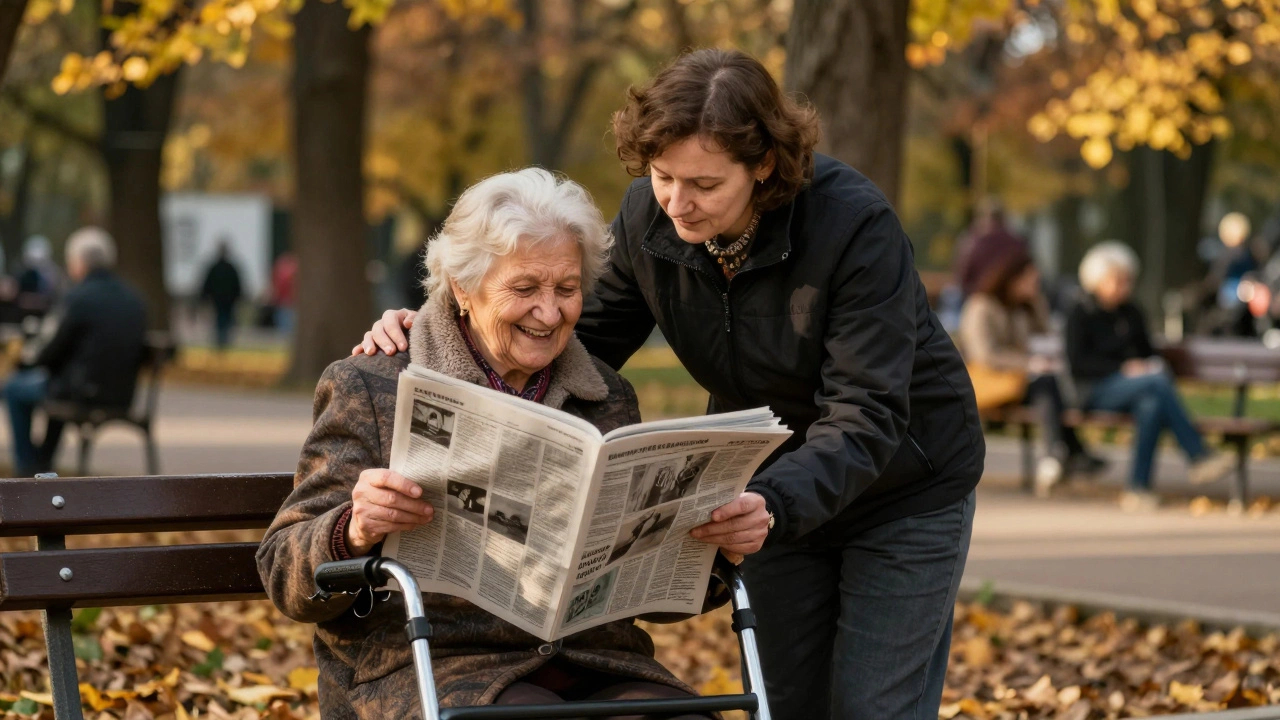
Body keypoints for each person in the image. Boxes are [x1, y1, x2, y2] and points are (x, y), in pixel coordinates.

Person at [354, 48, 982, 720]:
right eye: (662, 177)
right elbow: (569, 334)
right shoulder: (649, 220)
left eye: (704, 185)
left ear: (764, 165)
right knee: (788, 704)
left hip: (900, 486)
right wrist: (443, 322)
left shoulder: (852, 225)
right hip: (767, 487)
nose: (678, 203)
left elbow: (867, 412)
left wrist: (772, 501)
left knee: (874, 707)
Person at [257, 169, 750, 719]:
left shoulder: (608, 396)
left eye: (567, 289)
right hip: (433, 666)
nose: (550, 312)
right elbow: (282, 570)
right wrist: (355, 529)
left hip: (599, 665)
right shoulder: (373, 385)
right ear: (462, 287)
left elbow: (650, 596)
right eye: (525, 289)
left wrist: (716, 548)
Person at [1066, 241, 1236, 511]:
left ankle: (1138, 489)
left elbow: (1147, 352)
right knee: (1155, 383)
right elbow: (1078, 363)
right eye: (1117, 280)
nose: (1123, 287)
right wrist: (1122, 369)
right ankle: (1198, 454)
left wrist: (1147, 365)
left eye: (1127, 280)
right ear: (1097, 281)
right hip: (1093, 390)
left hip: (1136, 388)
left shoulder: (1131, 312)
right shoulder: (1080, 312)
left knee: (1151, 405)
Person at [958, 246, 1106, 496]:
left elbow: (1046, 338)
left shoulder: (1026, 307)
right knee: (1046, 385)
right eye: (1030, 280)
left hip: (1023, 383)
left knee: (1046, 386)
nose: (1034, 285)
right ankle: (1069, 452)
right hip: (992, 383)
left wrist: (1037, 304)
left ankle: (1056, 456)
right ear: (1012, 278)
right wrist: (1028, 363)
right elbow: (984, 355)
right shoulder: (981, 306)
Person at [4, 227, 147, 476]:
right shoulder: (134, 298)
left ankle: (27, 467)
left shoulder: (77, 298)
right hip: (122, 394)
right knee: (55, 384)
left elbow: (47, 351)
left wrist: (26, 359)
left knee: (14, 388)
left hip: (81, 391)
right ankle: (42, 461)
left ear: (79, 263)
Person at [954, 197, 1030, 298]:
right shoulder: (1016, 242)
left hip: (977, 295)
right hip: (1008, 298)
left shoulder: (972, 241)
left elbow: (962, 275)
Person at [199, 240, 243, 350]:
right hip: (228, 299)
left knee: (220, 318)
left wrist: (204, 297)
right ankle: (224, 341)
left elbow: (207, 284)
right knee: (226, 319)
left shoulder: (214, 267)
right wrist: (238, 297)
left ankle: (221, 341)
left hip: (218, 299)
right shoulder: (231, 268)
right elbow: (237, 284)